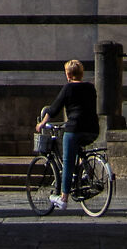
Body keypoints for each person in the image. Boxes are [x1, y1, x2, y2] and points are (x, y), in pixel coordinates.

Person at [39, 58, 100, 212]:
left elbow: (54, 108)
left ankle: (63, 198)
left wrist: (41, 123)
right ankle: (82, 175)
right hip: (93, 129)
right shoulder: (91, 88)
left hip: (74, 129)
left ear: (68, 74)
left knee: (67, 162)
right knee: (80, 153)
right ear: (81, 73)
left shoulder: (68, 88)